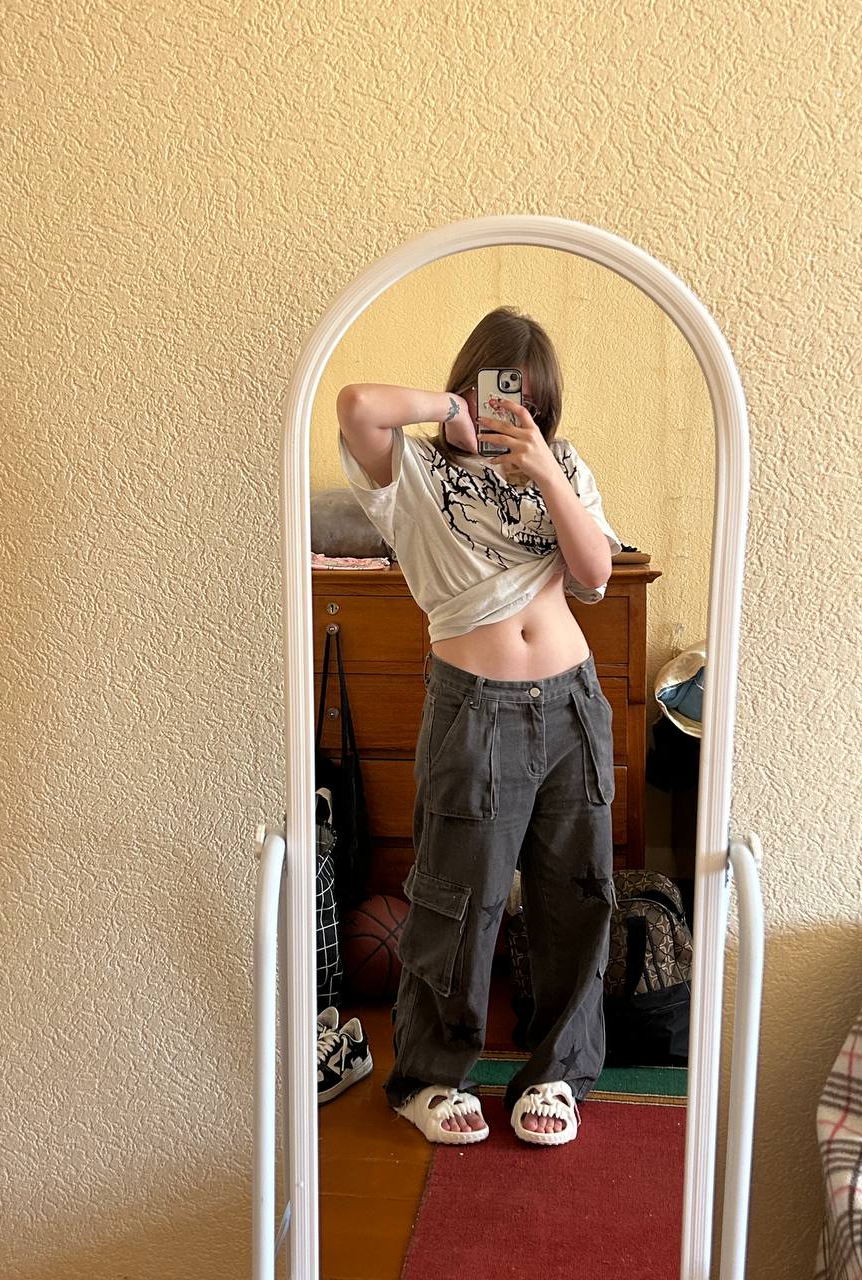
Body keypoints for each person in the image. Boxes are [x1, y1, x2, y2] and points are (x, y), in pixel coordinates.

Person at [335, 306, 621, 1147]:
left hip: (571, 705)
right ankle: (430, 1077)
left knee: (576, 896)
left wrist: (548, 475)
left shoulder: (564, 466)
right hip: (474, 707)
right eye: (499, 390)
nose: (512, 409)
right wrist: (448, 412)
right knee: (455, 901)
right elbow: (355, 405)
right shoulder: (415, 470)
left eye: (529, 398)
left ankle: (558, 1074)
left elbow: (596, 576)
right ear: (470, 382)